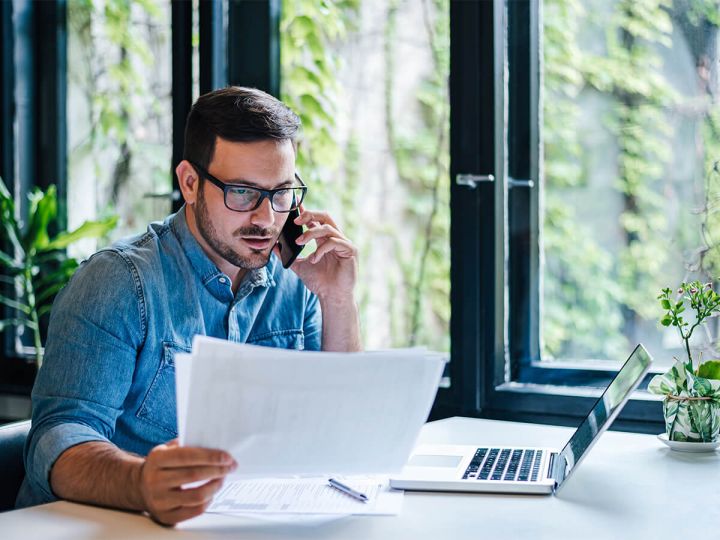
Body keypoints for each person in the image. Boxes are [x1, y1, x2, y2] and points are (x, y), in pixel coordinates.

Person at [16, 86, 361, 525]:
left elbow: (343, 433)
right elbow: (58, 437)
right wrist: (140, 482)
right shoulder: (119, 282)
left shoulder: (295, 282)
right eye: (241, 192)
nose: (266, 218)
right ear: (190, 182)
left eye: (281, 193)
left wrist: (337, 299)